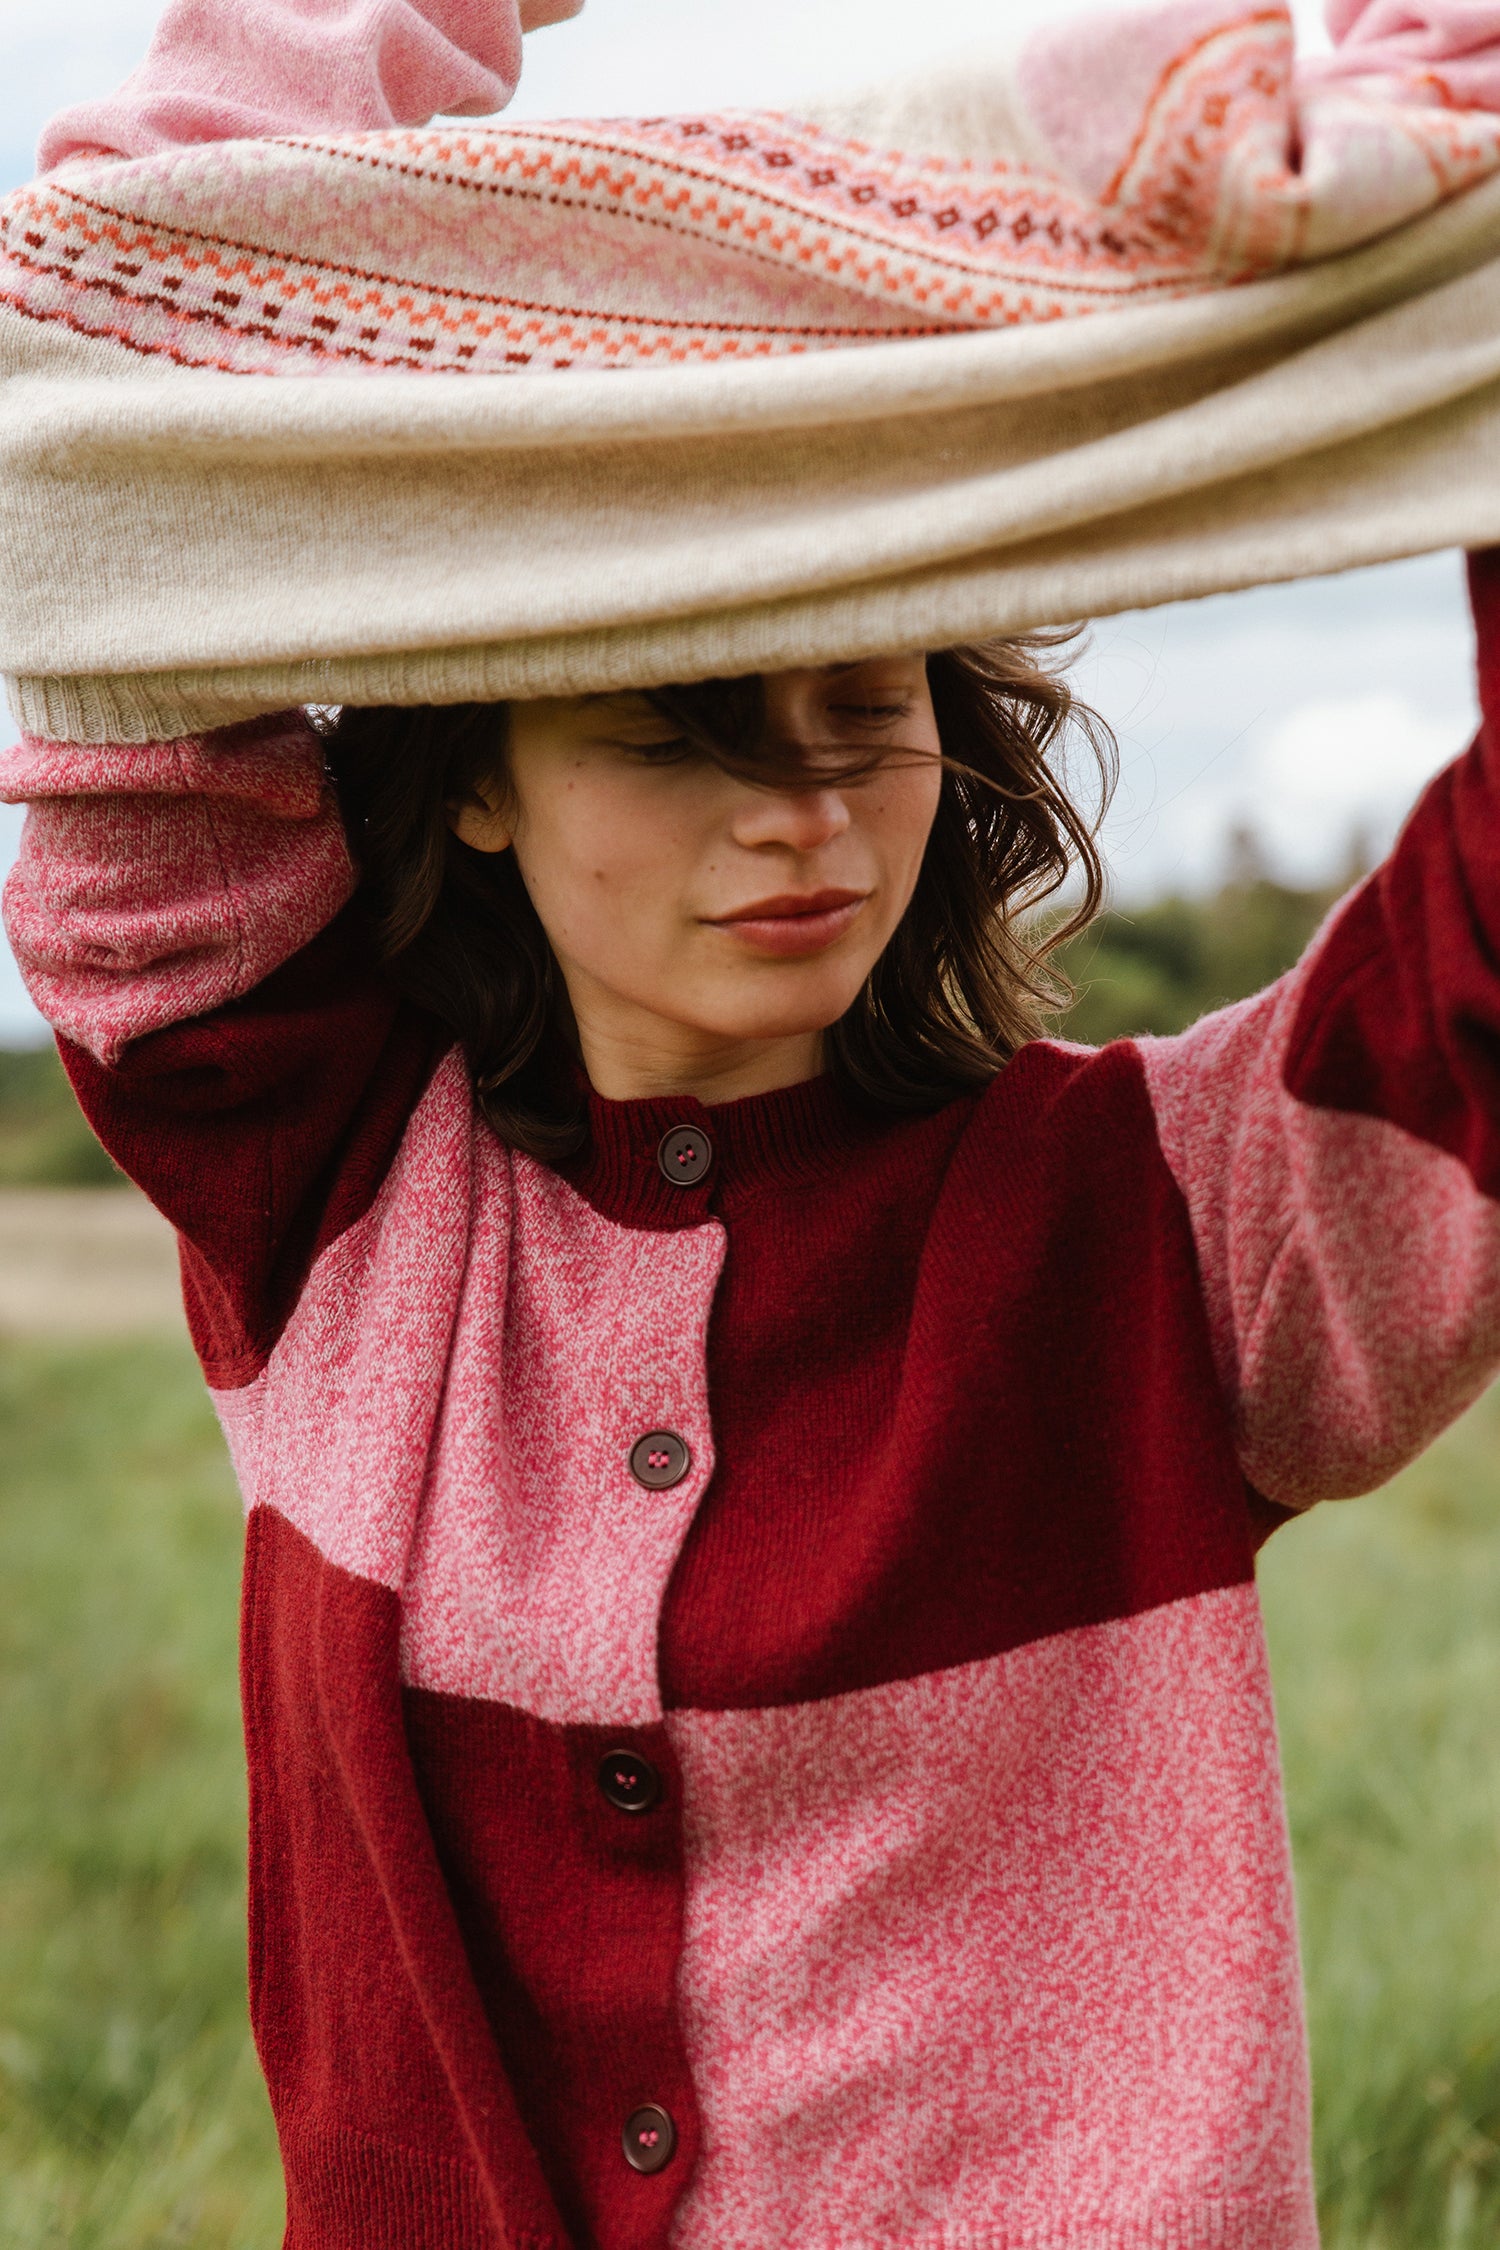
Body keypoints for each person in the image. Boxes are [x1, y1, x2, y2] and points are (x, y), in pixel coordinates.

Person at [6, 6, 1500, 2249]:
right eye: (676, 731)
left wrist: (1440, 189)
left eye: (858, 707)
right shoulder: (331, 1197)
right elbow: (97, 392)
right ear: (475, 773)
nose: (797, 811)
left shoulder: (1166, 1232)